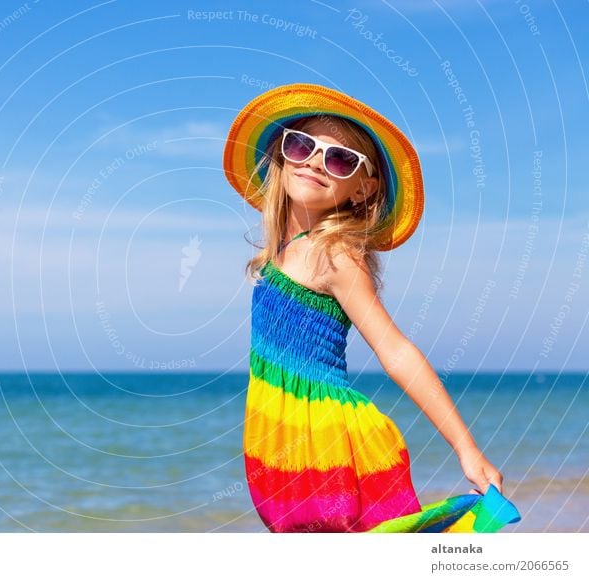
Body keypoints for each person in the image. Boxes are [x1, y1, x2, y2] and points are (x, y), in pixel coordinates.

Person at [222, 83, 521, 533]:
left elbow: (395, 350)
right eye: (302, 145)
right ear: (281, 157)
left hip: (326, 447)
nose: (315, 162)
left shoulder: (336, 254)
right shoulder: (281, 250)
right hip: (281, 444)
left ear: (363, 189)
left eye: (340, 159)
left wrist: (467, 449)